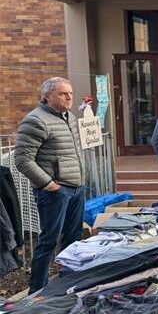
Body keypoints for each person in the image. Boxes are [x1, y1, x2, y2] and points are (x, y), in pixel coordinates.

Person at [15, 77, 86, 292]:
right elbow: (22, 159)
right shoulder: (36, 120)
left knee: (73, 239)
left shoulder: (69, 117)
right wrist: (48, 184)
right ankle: (37, 291)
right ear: (47, 97)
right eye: (63, 93)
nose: (69, 97)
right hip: (55, 191)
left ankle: (67, 283)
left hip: (76, 188)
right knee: (49, 241)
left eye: (71, 93)